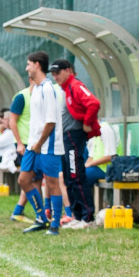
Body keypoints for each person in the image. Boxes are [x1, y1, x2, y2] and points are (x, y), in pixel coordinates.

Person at [19, 51, 65, 236]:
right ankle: (41, 218)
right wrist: (34, 144)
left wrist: (40, 143)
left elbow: (51, 121)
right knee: (23, 180)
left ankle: (55, 225)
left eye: (29, 64)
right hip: (33, 144)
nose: (26, 68)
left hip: (48, 145)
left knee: (52, 183)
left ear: (37, 65)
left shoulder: (48, 88)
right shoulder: (36, 88)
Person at [50, 58, 101, 225]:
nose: (55, 76)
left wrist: (87, 124)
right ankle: (77, 215)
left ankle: (87, 217)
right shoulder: (64, 89)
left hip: (74, 135)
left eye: (58, 73)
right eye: (53, 74)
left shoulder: (76, 86)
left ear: (68, 71)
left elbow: (93, 103)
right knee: (68, 177)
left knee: (76, 176)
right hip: (65, 137)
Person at [9, 83, 39, 223]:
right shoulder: (22, 97)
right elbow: (12, 121)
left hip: (36, 144)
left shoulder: (41, 96)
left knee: (34, 179)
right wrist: (19, 143)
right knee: (29, 179)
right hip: (26, 145)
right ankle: (39, 213)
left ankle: (20, 210)